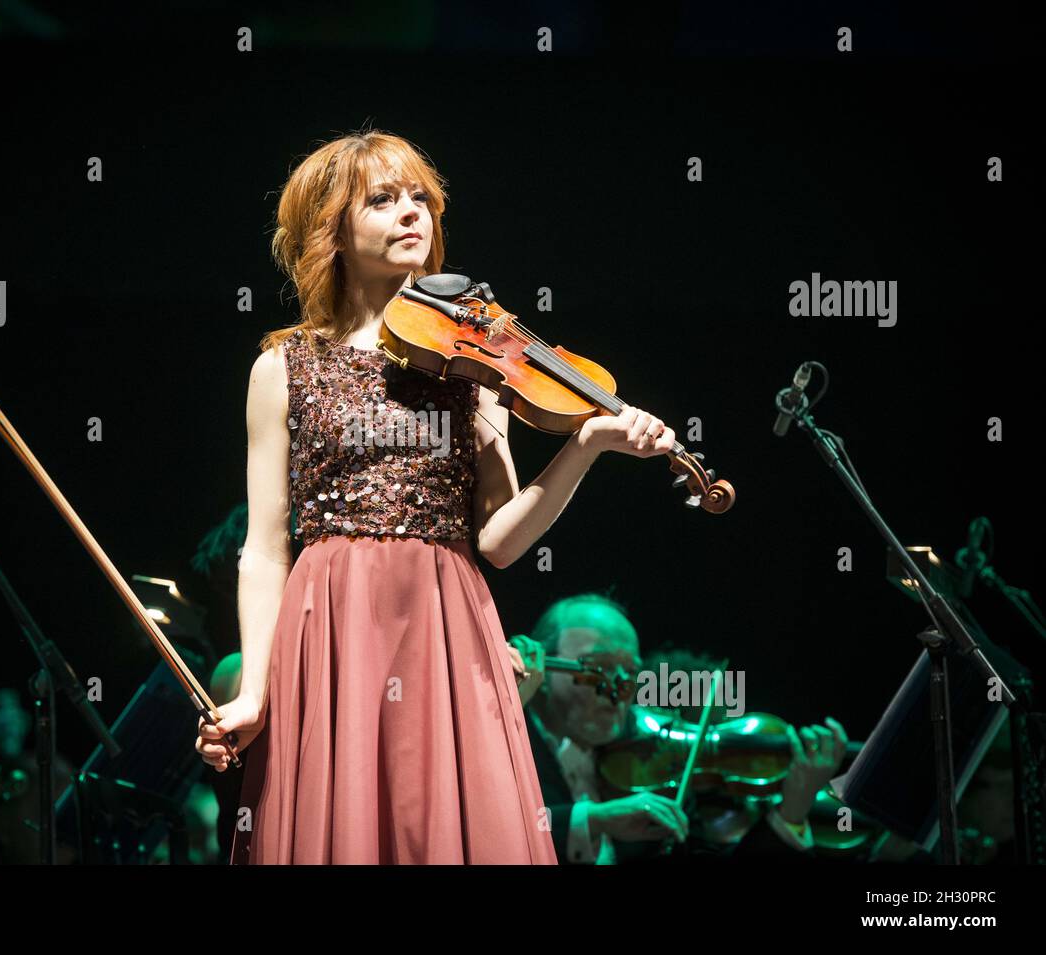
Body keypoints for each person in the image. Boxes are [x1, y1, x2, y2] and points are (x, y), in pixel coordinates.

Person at [194, 129, 679, 864]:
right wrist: (254, 689)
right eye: (383, 200)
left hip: (447, 618)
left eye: (420, 198)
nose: (410, 213)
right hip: (331, 620)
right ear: (333, 229)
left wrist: (584, 446)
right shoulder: (282, 367)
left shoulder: (475, 360)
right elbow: (264, 548)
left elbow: (502, 540)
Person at [511, 593, 849, 863]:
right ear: (544, 667)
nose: (618, 689)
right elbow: (502, 830)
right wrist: (593, 819)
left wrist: (794, 806)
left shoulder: (654, 763)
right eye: (597, 667)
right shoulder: (507, 745)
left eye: (630, 673)